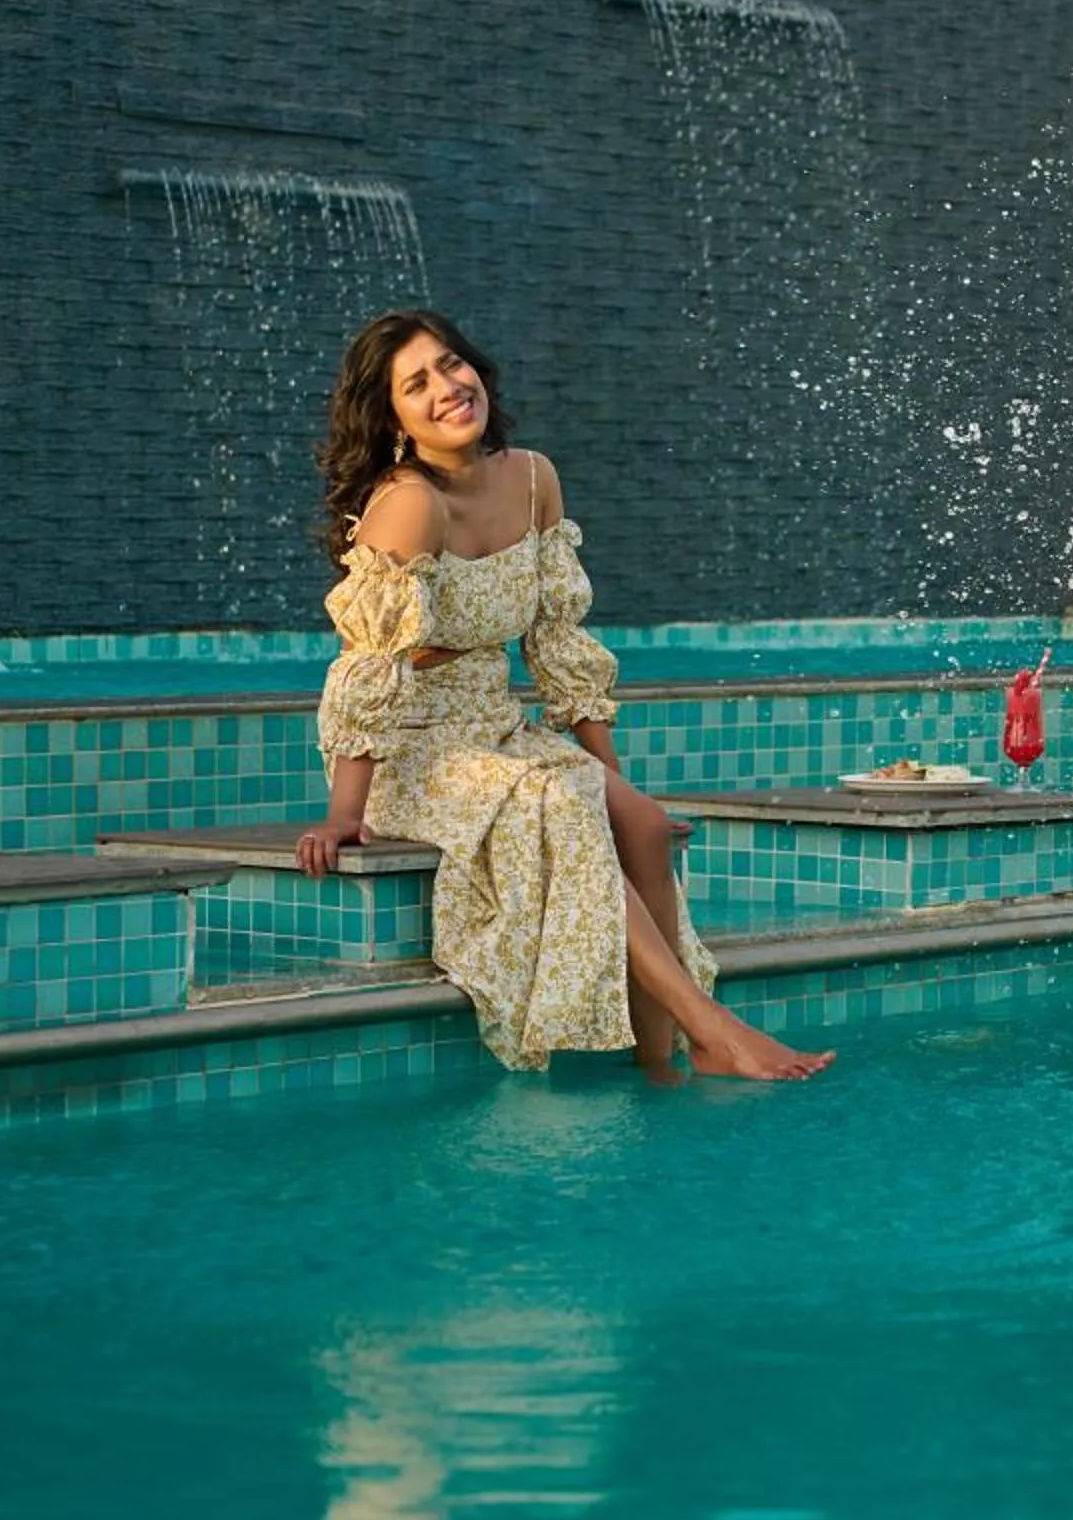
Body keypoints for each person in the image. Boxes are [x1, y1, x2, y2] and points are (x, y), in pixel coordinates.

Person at [296, 308, 831, 1083]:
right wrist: (346, 813)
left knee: (642, 828)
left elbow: (556, 642)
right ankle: (711, 1027)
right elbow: (367, 666)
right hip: (410, 754)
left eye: (451, 364)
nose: (448, 387)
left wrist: (614, 779)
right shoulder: (410, 503)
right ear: (395, 422)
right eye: (418, 385)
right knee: (560, 803)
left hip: (499, 730)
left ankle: (664, 1066)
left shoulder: (535, 477)